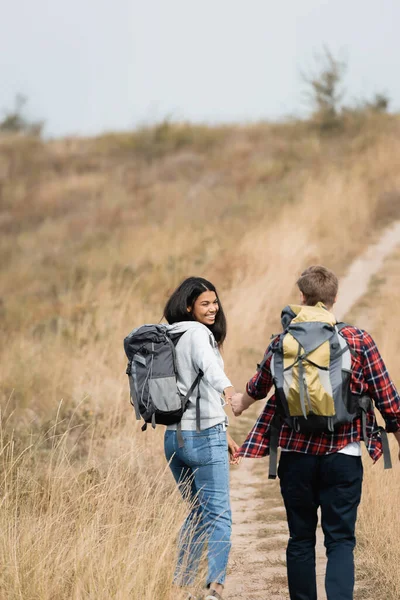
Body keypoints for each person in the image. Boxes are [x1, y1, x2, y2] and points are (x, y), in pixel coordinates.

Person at [231, 265, 400, 600]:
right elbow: (389, 401)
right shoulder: (358, 340)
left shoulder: (283, 340)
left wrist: (240, 402)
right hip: (343, 456)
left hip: (296, 459)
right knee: (340, 541)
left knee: (301, 540)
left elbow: (260, 385)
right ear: (333, 299)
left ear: (302, 298)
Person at [163, 276, 239, 600]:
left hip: (173, 440)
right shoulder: (198, 334)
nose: (212, 308)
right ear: (189, 306)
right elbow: (210, 370)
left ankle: (182, 586)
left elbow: (190, 391)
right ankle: (214, 589)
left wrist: (226, 434)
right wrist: (231, 392)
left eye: (214, 302)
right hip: (203, 436)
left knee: (196, 513)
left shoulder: (169, 334)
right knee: (219, 516)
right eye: (204, 303)